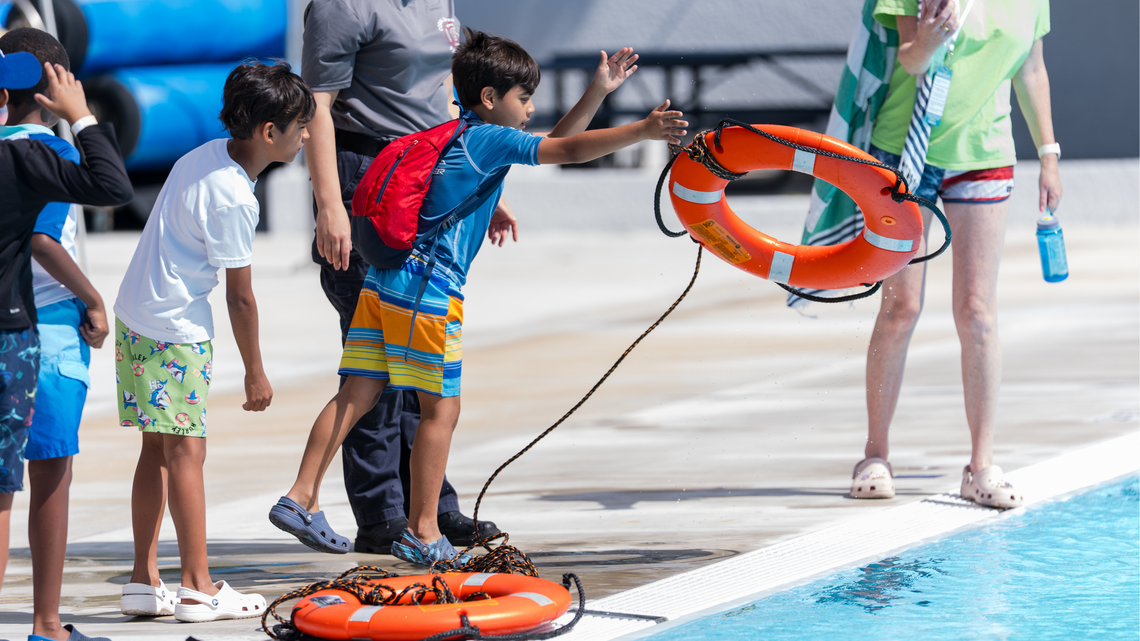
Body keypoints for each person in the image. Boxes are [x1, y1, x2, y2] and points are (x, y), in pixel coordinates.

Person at [270, 27, 685, 565]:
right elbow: (570, 149)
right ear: (490, 99)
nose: (530, 107)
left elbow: (553, 142)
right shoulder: (492, 139)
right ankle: (423, 531)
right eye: (524, 97)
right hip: (428, 293)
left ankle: (300, 496)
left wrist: (597, 93)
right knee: (441, 407)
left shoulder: (455, 132)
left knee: (357, 392)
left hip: (384, 281)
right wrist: (644, 130)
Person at [301, 0, 505, 554]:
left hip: (427, 172)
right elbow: (316, 106)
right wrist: (329, 207)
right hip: (367, 175)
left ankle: (432, 510)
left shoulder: (439, 1)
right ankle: (381, 513)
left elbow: (441, 98)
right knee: (376, 360)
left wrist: (468, 186)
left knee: (422, 353)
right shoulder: (344, 6)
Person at [113, 61, 312, 622]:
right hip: (173, 330)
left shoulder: (202, 156)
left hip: (138, 315)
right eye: (299, 127)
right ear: (269, 132)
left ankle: (143, 580)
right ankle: (198, 585)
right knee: (187, 452)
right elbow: (240, 297)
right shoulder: (234, 198)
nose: (303, 137)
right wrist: (255, 370)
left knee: (157, 448)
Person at [849, 0, 1061, 508]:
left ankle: (981, 465)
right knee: (901, 307)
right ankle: (874, 453)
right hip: (905, 151)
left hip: (985, 155)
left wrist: (1049, 155)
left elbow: (1030, 69)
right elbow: (909, 60)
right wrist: (928, 37)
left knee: (978, 313)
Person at [0, 50, 133, 641]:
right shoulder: (44, 154)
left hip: (32, 326)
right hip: (43, 331)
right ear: (56, 86)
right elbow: (43, 239)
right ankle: (46, 623)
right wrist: (94, 298)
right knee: (47, 479)